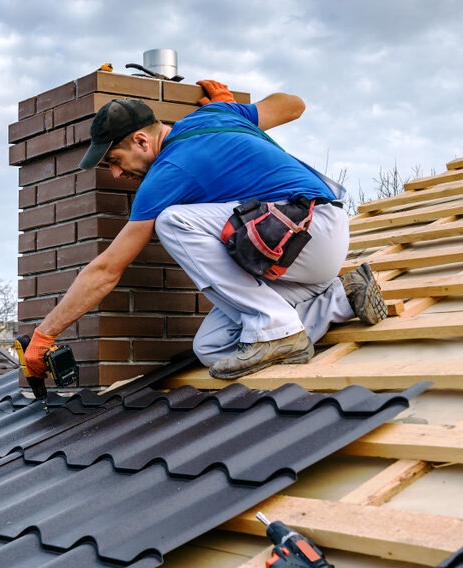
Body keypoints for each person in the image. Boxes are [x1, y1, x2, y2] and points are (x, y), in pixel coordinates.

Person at [23, 80, 386, 381]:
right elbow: (294, 104)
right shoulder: (218, 113)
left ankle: (277, 327)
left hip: (308, 229)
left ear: (140, 141)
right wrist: (239, 114)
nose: (116, 175)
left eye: (114, 161)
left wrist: (46, 333)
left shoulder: (168, 172)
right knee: (212, 348)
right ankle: (341, 298)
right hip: (300, 254)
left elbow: (106, 270)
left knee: (173, 221)